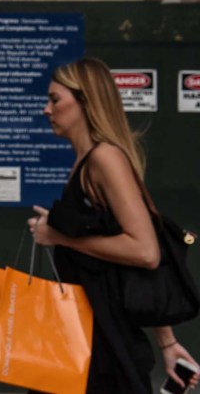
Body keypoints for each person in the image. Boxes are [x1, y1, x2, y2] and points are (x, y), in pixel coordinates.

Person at [27, 57, 200, 393]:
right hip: (84, 337)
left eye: (55, 99)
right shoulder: (85, 162)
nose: (46, 110)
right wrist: (167, 343)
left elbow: (146, 251)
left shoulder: (104, 159)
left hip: (104, 344)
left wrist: (61, 237)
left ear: (85, 101)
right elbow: (131, 265)